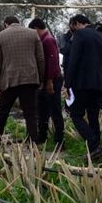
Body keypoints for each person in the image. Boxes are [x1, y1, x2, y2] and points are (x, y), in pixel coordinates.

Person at [0, 16, 45, 149]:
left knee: (3, 112)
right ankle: (34, 143)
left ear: (5, 24)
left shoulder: (0, 37)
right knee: (30, 113)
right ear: (19, 23)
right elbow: (40, 58)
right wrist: (41, 78)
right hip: (30, 79)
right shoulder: (32, 33)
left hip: (9, 80)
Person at [64, 14, 102, 160]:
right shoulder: (101, 36)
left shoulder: (80, 34)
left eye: (72, 26)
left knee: (75, 114)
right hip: (98, 83)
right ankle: (95, 150)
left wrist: (68, 83)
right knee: (93, 116)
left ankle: (93, 142)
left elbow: (74, 60)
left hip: (82, 83)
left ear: (76, 23)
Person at [28, 18, 65, 148]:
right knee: (42, 109)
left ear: (36, 28)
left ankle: (59, 140)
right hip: (44, 81)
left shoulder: (48, 40)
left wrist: (49, 82)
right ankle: (42, 135)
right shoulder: (42, 40)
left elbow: (52, 63)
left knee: (55, 110)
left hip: (52, 80)